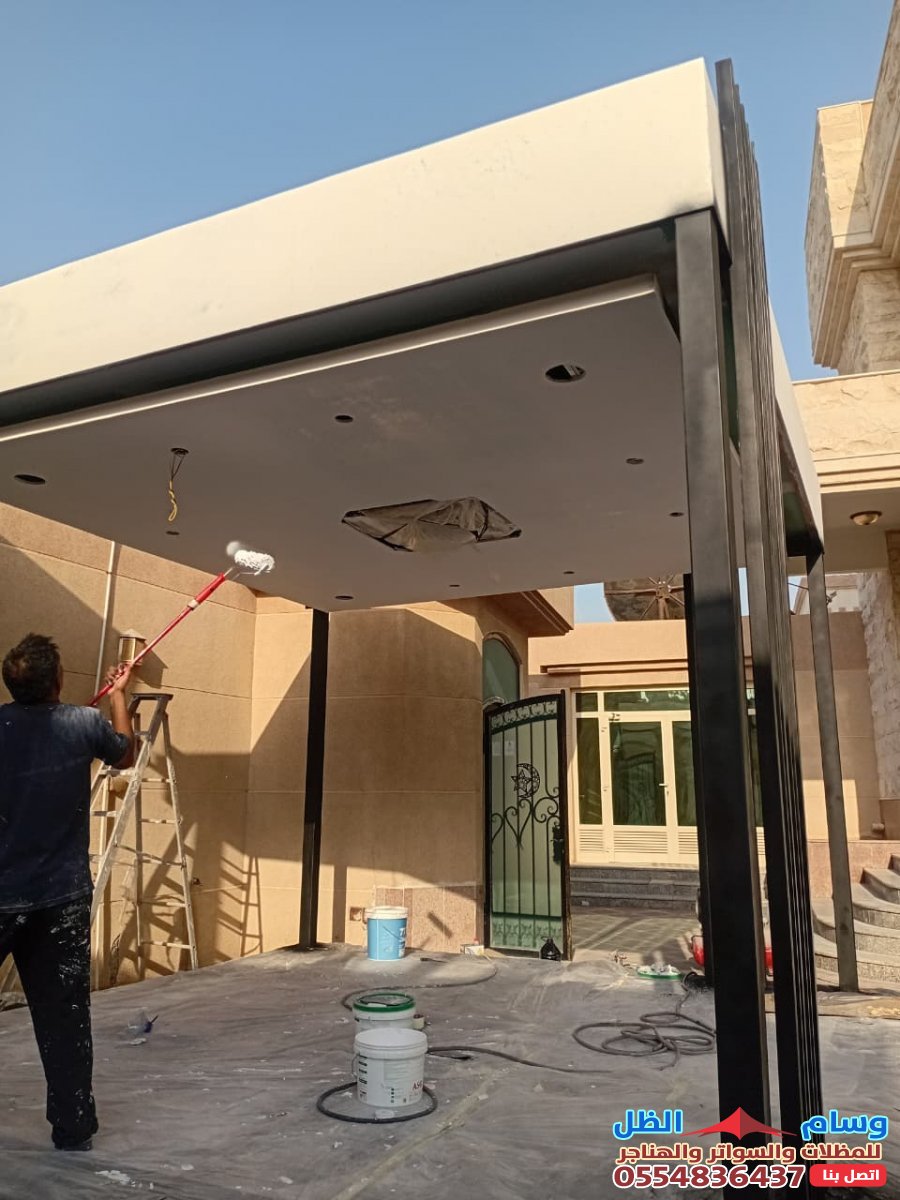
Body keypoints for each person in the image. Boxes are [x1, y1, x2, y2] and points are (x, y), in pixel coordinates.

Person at [0, 633, 135, 1151]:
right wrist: (119, 694)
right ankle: (73, 1127)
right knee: (64, 1018)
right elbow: (124, 754)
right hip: (60, 900)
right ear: (57, 680)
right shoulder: (83, 724)